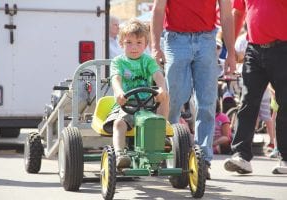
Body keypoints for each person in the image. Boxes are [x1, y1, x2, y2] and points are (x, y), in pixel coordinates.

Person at [150, 0, 236, 179]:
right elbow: (158, 10)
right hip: (175, 40)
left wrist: (230, 54)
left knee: (206, 103)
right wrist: (155, 47)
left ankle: (203, 161)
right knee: (173, 101)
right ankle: (168, 153)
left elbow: (227, 15)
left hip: (207, 40)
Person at [224, 0, 287, 174]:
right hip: (253, 50)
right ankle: (241, 156)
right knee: (247, 101)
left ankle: (286, 157)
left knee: (285, 103)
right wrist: (230, 49)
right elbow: (237, 13)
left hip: (283, 49)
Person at [103, 19, 169, 169]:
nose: (134, 47)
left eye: (139, 43)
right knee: (119, 123)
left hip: (147, 105)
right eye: (129, 43)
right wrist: (119, 92)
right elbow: (116, 78)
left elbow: (158, 74)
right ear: (121, 44)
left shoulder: (148, 61)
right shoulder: (118, 62)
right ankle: (120, 154)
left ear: (146, 44)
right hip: (127, 104)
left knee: (165, 95)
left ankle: (161, 133)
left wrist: (161, 88)